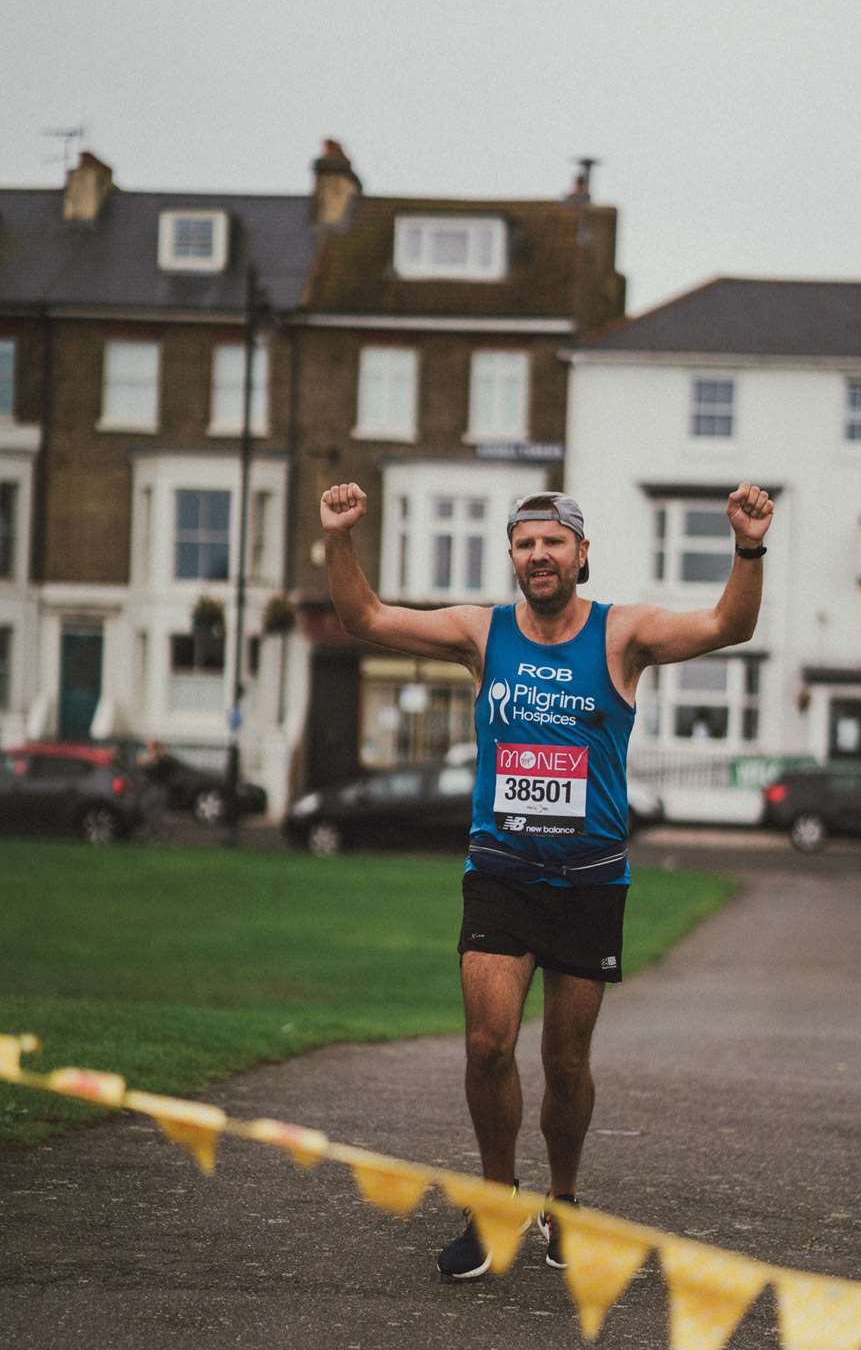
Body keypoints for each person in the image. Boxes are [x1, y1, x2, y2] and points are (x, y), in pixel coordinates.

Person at [320, 480, 774, 1278]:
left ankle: (564, 1204)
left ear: (581, 553)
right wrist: (339, 537)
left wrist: (746, 545)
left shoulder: (621, 634)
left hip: (590, 878)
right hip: (502, 870)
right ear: (512, 556)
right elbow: (365, 619)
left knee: (566, 1063)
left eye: (553, 541)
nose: (539, 554)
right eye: (525, 542)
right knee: (489, 1045)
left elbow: (728, 625)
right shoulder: (481, 632)